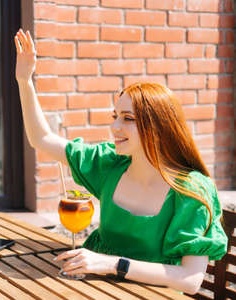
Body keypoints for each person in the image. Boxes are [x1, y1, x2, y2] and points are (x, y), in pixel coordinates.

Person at [14, 29, 227, 294]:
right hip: (90, 290)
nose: (115, 126)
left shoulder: (191, 191)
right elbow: (42, 139)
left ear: (160, 128)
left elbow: (189, 280)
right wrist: (25, 81)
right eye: (114, 116)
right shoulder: (110, 164)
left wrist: (113, 264)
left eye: (127, 118)